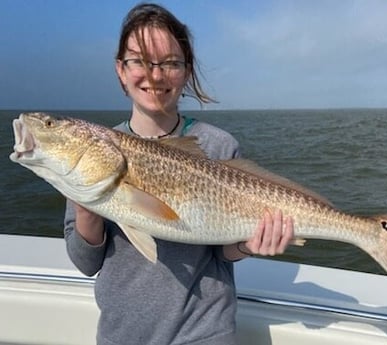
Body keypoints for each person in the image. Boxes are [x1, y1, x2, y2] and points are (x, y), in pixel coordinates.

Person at [64, 3, 295, 345]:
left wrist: (250, 243)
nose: (154, 75)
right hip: (120, 335)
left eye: (170, 63)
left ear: (187, 71)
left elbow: (222, 252)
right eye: (139, 60)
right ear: (120, 69)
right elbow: (85, 262)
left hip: (205, 331)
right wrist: (86, 207)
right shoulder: (96, 149)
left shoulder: (218, 145)